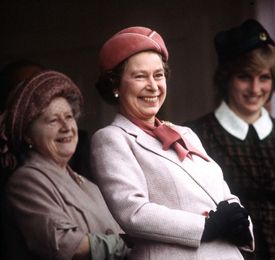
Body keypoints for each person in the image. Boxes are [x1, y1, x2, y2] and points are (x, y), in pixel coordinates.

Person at [91, 26, 254, 259]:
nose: (153, 85)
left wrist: (241, 225)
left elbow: (223, 193)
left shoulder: (185, 134)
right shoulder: (111, 138)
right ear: (115, 85)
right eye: (140, 76)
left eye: (158, 75)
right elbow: (133, 212)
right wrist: (205, 227)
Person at [186, 19, 275, 259]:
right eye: (244, 77)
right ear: (227, 78)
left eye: (264, 77)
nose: (255, 88)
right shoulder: (197, 134)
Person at [0, 70, 131, 259]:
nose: (66, 127)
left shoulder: (88, 184)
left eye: (69, 117)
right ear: (28, 134)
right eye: (53, 120)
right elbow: (63, 244)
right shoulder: (26, 181)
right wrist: (126, 245)